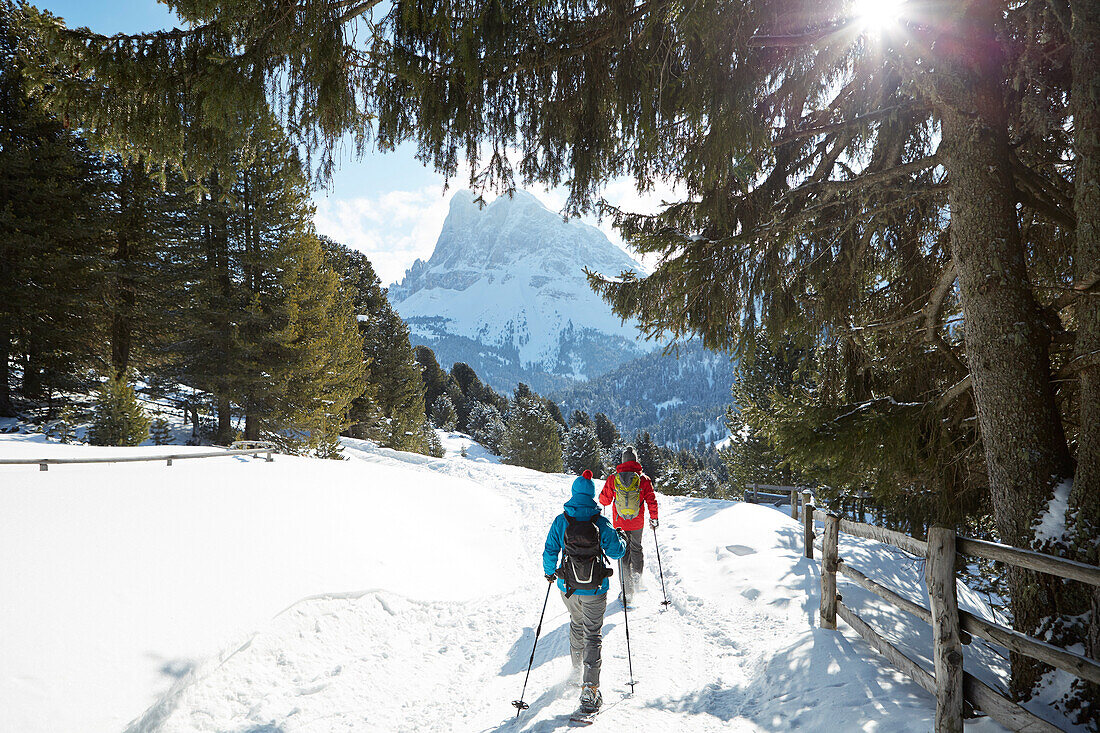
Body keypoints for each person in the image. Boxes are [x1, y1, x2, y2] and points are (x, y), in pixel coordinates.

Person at [543, 469, 626, 715]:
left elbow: (550, 551)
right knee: (593, 634)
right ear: (590, 495)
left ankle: (575, 672)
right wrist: (620, 539)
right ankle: (589, 689)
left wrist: (550, 573)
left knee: (576, 624)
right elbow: (617, 553)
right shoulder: (600, 521)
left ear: (573, 493)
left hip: (568, 588)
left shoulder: (562, 520)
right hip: (596, 589)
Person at [599, 446, 658, 605]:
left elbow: (604, 500)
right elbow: (652, 500)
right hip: (637, 522)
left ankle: (627, 592)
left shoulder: (613, 478)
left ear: (623, 461)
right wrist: (654, 519)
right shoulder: (643, 479)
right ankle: (637, 580)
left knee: (623, 555)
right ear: (635, 461)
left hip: (619, 524)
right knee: (637, 549)